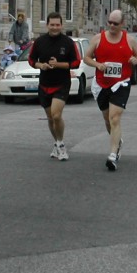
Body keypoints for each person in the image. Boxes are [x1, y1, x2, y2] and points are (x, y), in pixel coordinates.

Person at [83, 9, 137, 171]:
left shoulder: (129, 40)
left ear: (122, 24)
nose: (111, 25)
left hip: (121, 83)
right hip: (102, 83)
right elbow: (86, 58)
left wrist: (135, 60)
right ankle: (117, 142)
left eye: (115, 23)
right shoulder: (98, 38)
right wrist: (98, 65)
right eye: (109, 22)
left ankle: (112, 154)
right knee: (107, 120)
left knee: (114, 118)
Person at [28, 12, 81, 161]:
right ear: (47, 25)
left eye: (58, 25)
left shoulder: (68, 42)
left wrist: (58, 64)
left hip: (61, 84)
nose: (55, 27)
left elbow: (76, 62)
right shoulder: (39, 42)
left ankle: (61, 144)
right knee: (50, 118)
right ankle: (57, 142)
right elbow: (31, 60)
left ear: (62, 25)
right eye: (52, 25)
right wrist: (41, 65)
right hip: (44, 84)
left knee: (57, 115)